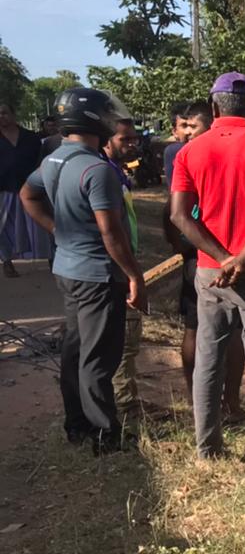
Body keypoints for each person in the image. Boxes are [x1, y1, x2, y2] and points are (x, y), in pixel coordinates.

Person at [171, 73, 245, 475]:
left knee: (208, 358)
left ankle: (208, 449)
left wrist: (222, 258)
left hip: (209, 273)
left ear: (214, 107)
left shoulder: (190, 152)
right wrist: (242, 259)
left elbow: (179, 216)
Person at [19, 89, 147, 454]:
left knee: (75, 350)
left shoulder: (54, 160)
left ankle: (76, 425)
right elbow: (112, 233)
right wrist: (135, 276)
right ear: (96, 120)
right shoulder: (96, 170)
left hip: (67, 269)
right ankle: (105, 435)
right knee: (98, 357)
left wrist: (56, 229)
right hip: (97, 276)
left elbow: (28, 196)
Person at [162, 100, 245, 421]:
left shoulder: (188, 154)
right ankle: (213, 402)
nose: (185, 133)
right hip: (210, 251)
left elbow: (172, 211)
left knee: (222, 327)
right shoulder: (180, 154)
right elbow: (172, 210)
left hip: (211, 249)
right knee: (202, 327)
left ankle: (224, 402)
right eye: (181, 126)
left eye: (191, 126)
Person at [101, 114, 145, 442]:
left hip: (125, 259)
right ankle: (126, 407)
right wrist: (131, 272)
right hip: (117, 266)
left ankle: (127, 400)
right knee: (124, 338)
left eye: (133, 139)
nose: (131, 144)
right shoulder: (104, 173)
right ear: (107, 140)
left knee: (127, 337)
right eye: (124, 140)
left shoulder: (117, 171)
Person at [0, 102, 52, 277]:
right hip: (4, 190)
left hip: (31, 189)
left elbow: (42, 161)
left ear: (14, 115)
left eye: (4, 113)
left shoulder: (31, 138)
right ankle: (7, 262)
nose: (1, 117)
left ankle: (52, 260)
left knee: (41, 223)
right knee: (4, 228)